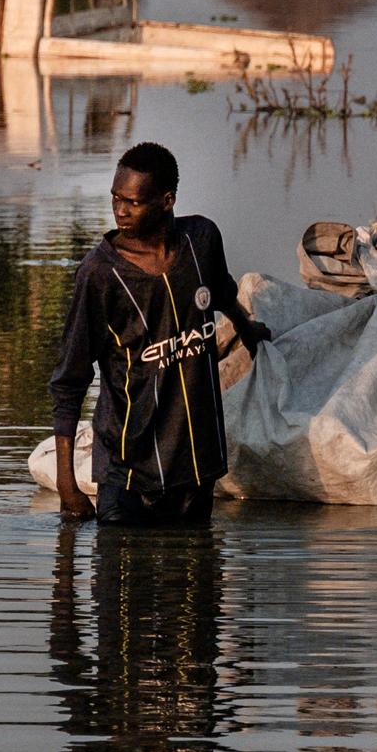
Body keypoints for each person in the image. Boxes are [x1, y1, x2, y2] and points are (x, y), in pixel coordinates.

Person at [47, 141, 270, 525]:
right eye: (115, 198)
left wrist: (248, 331)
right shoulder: (100, 275)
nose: (120, 210)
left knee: (195, 577)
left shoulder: (201, 240)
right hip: (128, 473)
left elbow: (222, 293)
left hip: (197, 467)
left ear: (167, 201)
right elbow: (69, 382)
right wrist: (68, 487)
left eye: (132, 202)